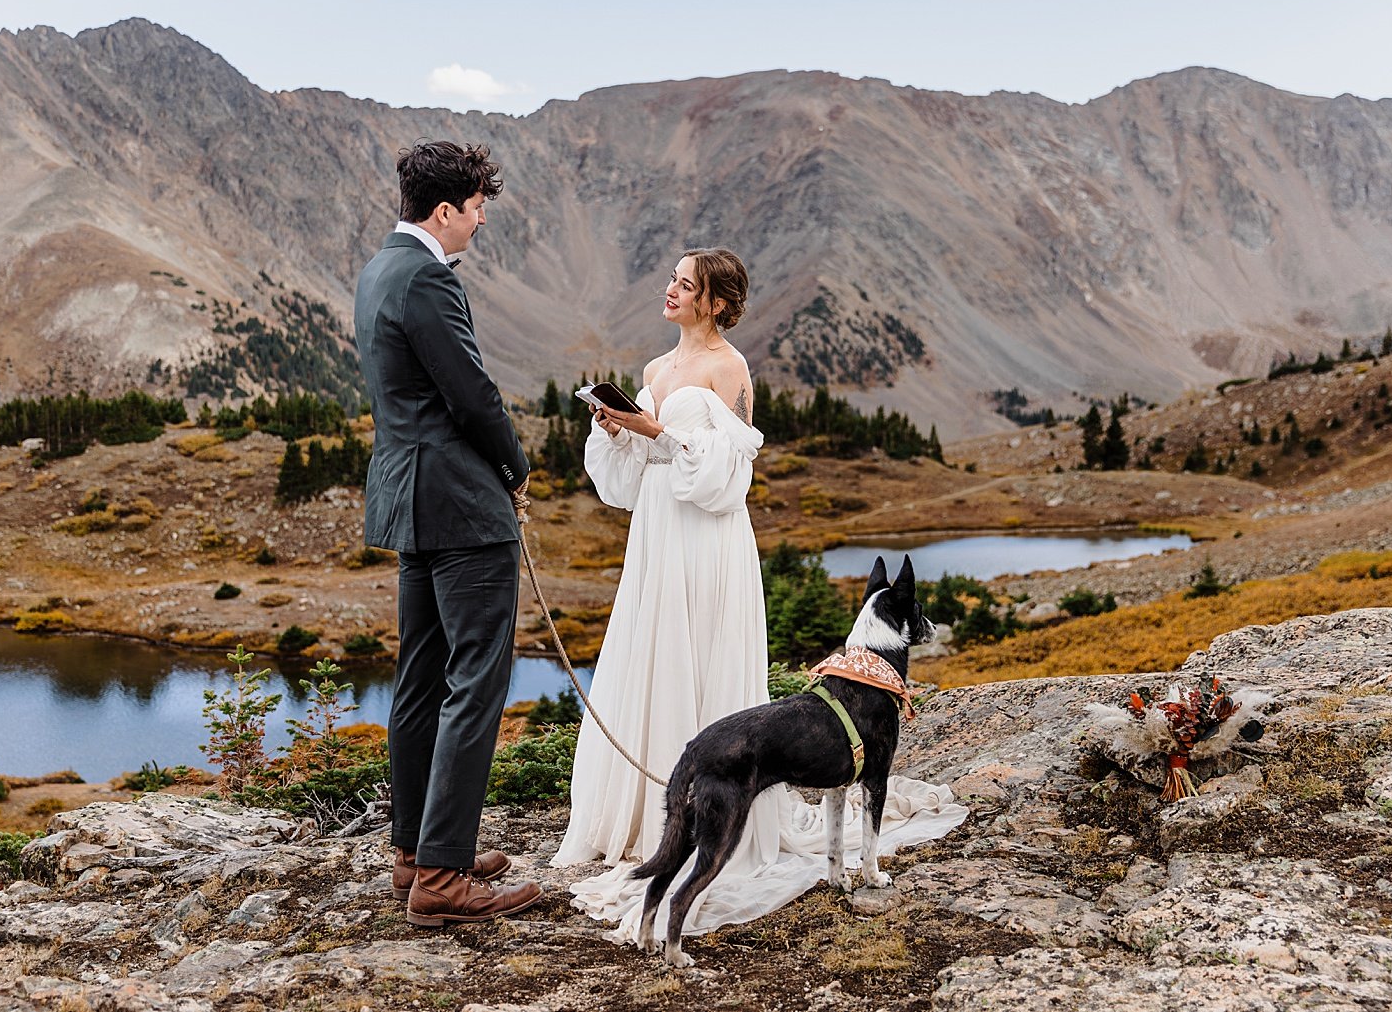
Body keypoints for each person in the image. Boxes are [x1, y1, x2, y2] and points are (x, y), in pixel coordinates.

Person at [551, 248, 967, 942]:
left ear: (714, 301)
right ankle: (643, 816)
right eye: (673, 280)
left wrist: (661, 431)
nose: (671, 289)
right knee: (652, 652)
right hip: (656, 534)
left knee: (700, 655)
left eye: (685, 284)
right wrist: (618, 433)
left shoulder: (731, 370)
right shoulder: (655, 370)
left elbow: (728, 476)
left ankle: (718, 803)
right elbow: (631, 480)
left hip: (708, 540)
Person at [354, 140, 541, 926]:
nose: (482, 216)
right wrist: (516, 467)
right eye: (475, 206)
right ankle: (442, 876)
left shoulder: (377, 272)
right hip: (461, 505)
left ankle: (417, 849)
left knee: (422, 677)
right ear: (444, 212)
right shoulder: (429, 278)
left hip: (409, 501)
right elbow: (472, 395)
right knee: (476, 681)